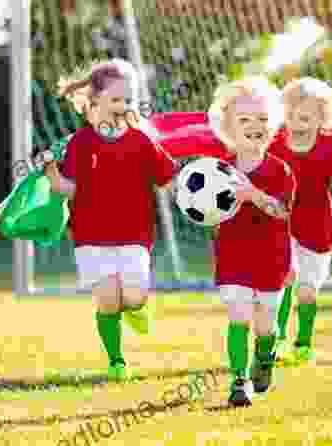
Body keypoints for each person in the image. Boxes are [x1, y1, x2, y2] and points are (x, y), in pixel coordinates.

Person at [44, 58, 178, 382]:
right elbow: (67, 188)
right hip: (91, 239)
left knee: (133, 298)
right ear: (94, 103)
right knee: (107, 301)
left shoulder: (143, 140)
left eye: (129, 100)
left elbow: (168, 179)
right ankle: (116, 361)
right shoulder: (80, 143)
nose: (124, 106)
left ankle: (135, 309)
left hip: (134, 237)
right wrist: (49, 168)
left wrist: (196, 200)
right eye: (116, 99)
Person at [205, 77, 297, 407]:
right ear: (228, 128)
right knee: (239, 315)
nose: (255, 126)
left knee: (265, 322)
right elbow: (211, 218)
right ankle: (239, 381)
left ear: (271, 126)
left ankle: (265, 356)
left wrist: (253, 195)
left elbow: (282, 211)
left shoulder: (281, 171)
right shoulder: (217, 172)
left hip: (271, 257)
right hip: (234, 257)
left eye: (262, 120)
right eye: (245, 120)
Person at [268, 77, 332, 366]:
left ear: (322, 119)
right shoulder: (274, 144)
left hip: (318, 229)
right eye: (291, 115)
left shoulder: (327, 146)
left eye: (306, 116)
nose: (297, 122)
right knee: (285, 278)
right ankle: (274, 339)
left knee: (307, 290)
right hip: (282, 224)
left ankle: (304, 344)